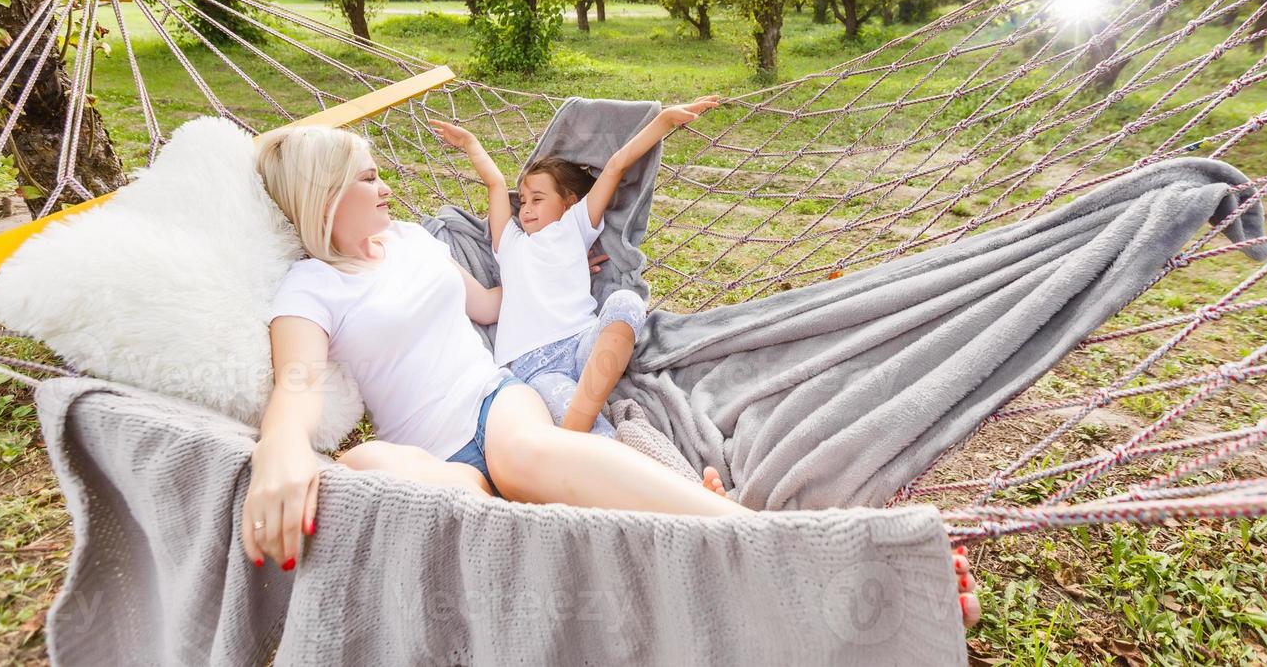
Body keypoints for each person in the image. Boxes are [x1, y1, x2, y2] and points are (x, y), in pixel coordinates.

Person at [238, 123, 981, 629]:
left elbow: (493, 306)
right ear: (325, 195)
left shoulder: (412, 244)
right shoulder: (312, 287)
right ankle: (658, 554)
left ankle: (794, 553)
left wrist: (575, 283)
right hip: (436, 461)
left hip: (498, 409)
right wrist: (282, 447)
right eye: (370, 178)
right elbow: (298, 382)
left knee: (524, 456)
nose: (388, 187)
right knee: (364, 466)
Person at [429, 95, 719, 439]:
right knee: (590, 429)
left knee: (626, 302)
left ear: (569, 203)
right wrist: (472, 144)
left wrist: (663, 122)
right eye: (523, 201)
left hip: (584, 343)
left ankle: (574, 437)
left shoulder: (574, 226)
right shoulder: (509, 243)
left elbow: (615, 167)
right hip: (534, 366)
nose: (526, 208)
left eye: (538, 198)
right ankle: (594, 442)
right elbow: (494, 183)